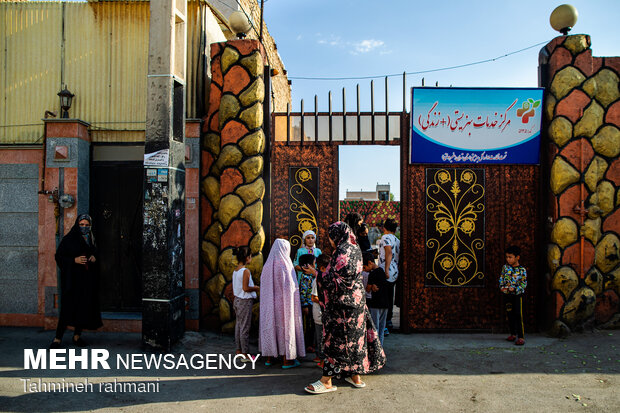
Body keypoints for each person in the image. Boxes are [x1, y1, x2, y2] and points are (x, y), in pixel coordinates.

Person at [305, 222, 385, 394]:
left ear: (337, 235)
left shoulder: (341, 252)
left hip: (342, 307)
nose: (330, 241)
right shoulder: (355, 249)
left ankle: (326, 381)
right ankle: (355, 376)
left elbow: (336, 282)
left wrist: (316, 274)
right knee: (356, 340)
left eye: (330, 237)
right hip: (357, 304)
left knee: (336, 341)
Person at [50, 214, 102, 348]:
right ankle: (57, 338)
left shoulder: (91, 238)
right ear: (76, 225)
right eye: (81, 225)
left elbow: (96, 253)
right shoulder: (69, 239)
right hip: (72, 281)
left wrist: (94, 257)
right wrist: (74, 260)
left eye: (86, 225)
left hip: (86, 280)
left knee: (83, 308)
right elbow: (59, 257)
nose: (84, 227)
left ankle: (77, 336)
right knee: (67, 308)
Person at [259, 238, 305, 368]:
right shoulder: (286, 264)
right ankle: (287, 360)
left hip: (269, 306)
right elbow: (291, 286)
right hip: (284, 306)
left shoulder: (267, 265)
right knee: (286, 329)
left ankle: (269, 358)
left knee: (271, 328)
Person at [293, 230, 322, 351]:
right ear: (304, 239)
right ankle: (304, 341)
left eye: (312, 238)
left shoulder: (318, 251)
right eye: (308, 238)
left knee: (313, 315)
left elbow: (320, 265)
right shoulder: (300, 251)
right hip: (303, 282)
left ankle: (313, 342)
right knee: (305, 315)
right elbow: (295, 264)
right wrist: (305, 270)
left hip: (314, 283)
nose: (310, 240)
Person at [232, 246, 259, 360]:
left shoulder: (236, 270)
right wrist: (256, 288)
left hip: (237, 300)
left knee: (239, 326)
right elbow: (246, 288)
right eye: (250, 256)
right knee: (245, 328)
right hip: (245, 301)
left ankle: (239, 350)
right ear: (247, 257)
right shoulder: (245, 271)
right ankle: (245, 354)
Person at [499, 245, 527, 346]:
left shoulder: (522, 270)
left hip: (517, 296)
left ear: (517, 257)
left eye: (510, 257)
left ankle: (521, 336)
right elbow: (502, 278)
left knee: (518, 315)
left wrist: (515, 289)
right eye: (507, 257)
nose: (508, 259)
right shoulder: (505, 268)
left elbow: (523, 284)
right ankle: (513, 334)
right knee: (510, 314)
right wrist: (502, 287)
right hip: (507, 294)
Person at [363, 252, 390, 346]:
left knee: (375, 328)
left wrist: (371, 285)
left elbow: (367, 288)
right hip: (385, 304)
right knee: (382, 328)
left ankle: (375, 349)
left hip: (375, 304)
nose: (365, 270)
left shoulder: (372, 274)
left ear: (370, 263)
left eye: (364, 267)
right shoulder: (382, 271)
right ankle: (381, 348)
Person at [378, 218, 400, 334]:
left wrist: (386, 269)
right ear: (395, 229)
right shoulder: (397, 239)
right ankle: (389, 321)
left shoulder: (385, 237)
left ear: (384, 228)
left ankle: (384, 324)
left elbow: (388, 252)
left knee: (383, 297)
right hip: (395, 272)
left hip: (387, 271)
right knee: (389, 296)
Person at [309, 253, 331, 367]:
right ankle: (321, 360)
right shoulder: (317, 280)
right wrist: (327, 301)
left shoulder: (326, 278)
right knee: (320, 338)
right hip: (319, 314)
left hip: (324, 313)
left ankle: (323, 359)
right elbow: (314, 297)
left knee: (324, 337)